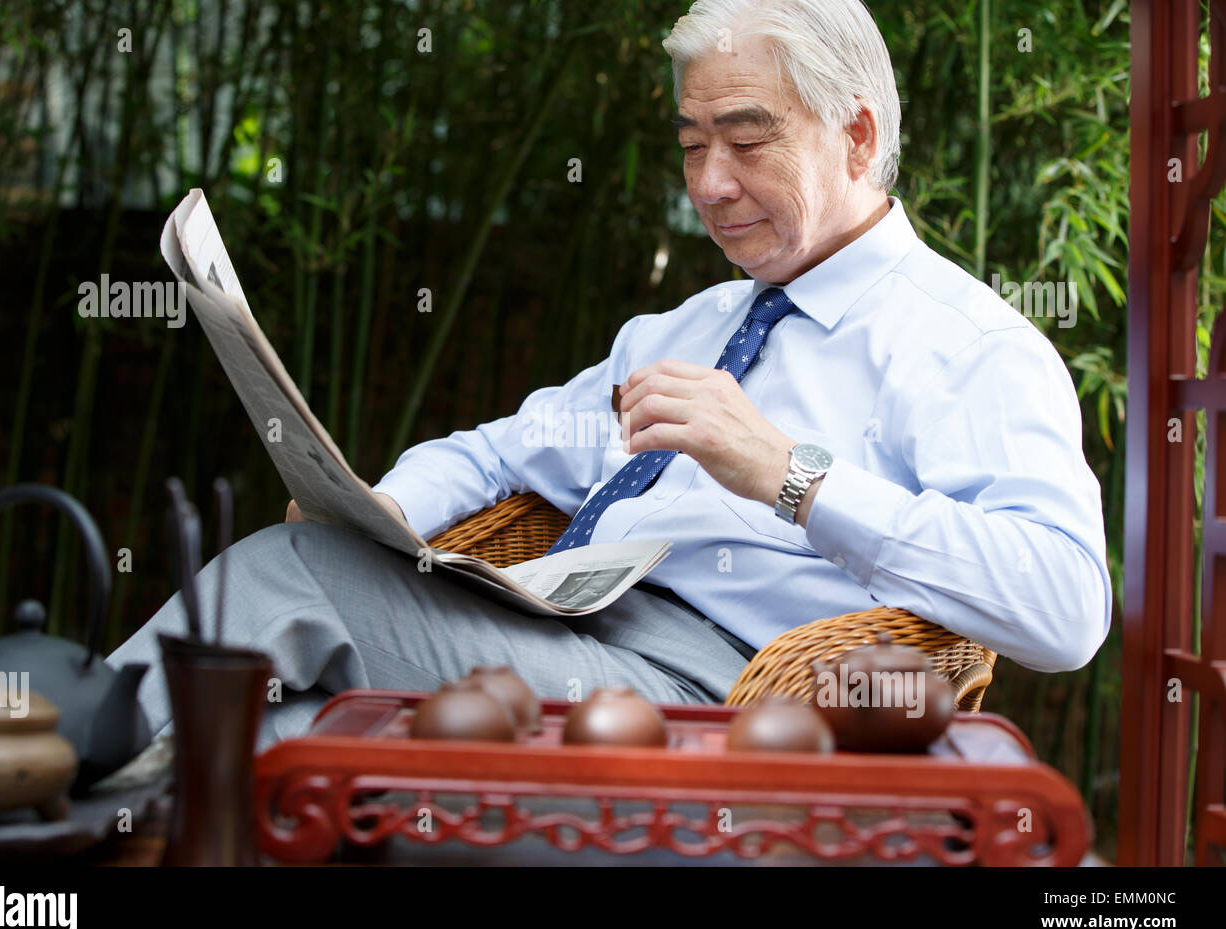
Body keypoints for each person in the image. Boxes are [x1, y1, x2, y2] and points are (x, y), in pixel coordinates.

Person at [109, 0, 1112, 750]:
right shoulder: (691, 323)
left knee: (289, 581)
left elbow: (1064, 607)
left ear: (853, 136)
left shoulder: (964, 344)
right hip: (544, 623)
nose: (710, 186)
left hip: (716, 693)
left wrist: (788, 474)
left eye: (747, 140)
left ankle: (39, 771)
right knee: (280, 731)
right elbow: (495, 451)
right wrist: (374, 507)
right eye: (691, 146)